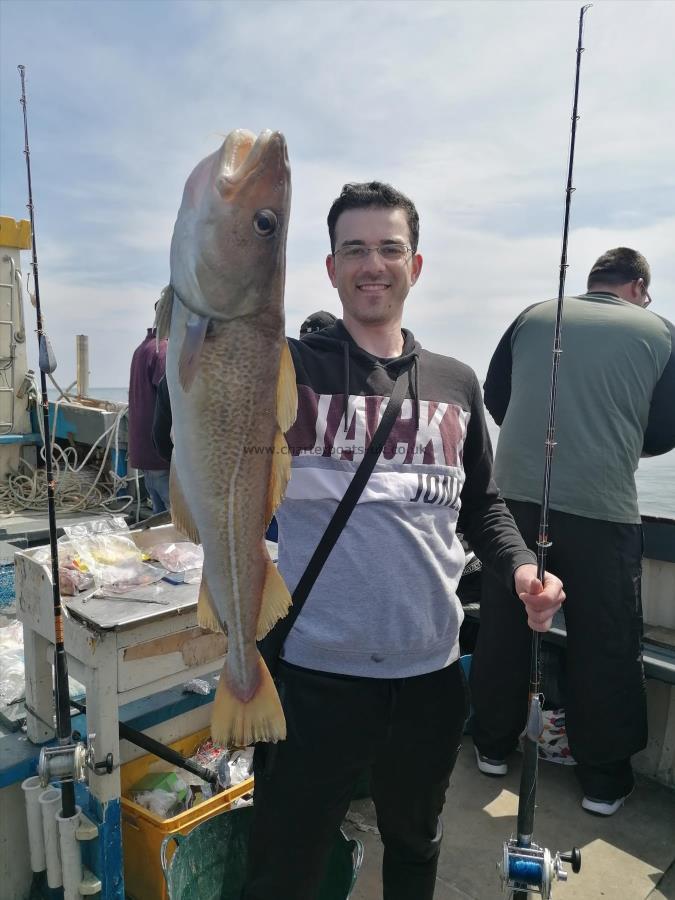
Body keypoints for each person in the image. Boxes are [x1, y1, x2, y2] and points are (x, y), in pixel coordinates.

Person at [242, 182, 565, 900]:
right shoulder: (286, 369)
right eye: (353, 249)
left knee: (416, 844)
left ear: (414, 266)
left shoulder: (455, 383)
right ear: (329, 268)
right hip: (312, 673)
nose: (372, 265)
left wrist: (518, 569)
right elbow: (204, 379)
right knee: (284, 862)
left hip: (429, 677)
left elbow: (484, 505)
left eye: (388, 249)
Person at [470, 247, 675, 817]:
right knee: (605, 643)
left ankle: (490, 747)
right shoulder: (661, 331)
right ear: (638, 286)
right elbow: (664, 429)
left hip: (509, 504)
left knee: (505, 628)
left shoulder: (535, 314)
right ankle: (603, 783)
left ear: (591, 283)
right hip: (602, 511)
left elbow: (496, 395)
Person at [127, 318, 170, 512]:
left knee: (159, 521)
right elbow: (171, 401)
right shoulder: (163, 351)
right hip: (160, 457)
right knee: (179, 524)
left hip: (144, 454)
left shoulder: (142, 349)